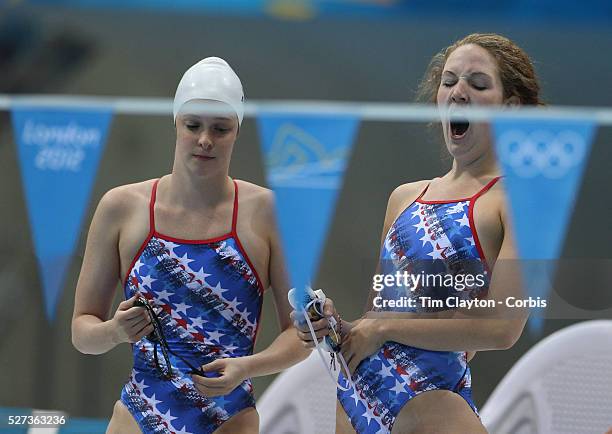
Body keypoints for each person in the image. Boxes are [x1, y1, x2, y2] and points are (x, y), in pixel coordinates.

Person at [292, 33, 543, 434]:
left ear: (510, 106)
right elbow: (382, 315)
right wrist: (342, 328)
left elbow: (502, 327)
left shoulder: (519, 202)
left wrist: (384, 329)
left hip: (433, 409)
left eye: (477, 84)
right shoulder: (405, 198)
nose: (458, 92)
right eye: (449, 82)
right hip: (357, 399)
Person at [72, 57, 309, 434]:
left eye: (221, 128)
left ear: (237, 132)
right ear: (176, 123)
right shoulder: (121, 207)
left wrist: (248, 367)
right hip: (139, 413)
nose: (204, 139)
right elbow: (82, 331)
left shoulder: (268, 213)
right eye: (193, 125)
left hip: (228, 419)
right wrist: (114, 332)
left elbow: (301, 334)